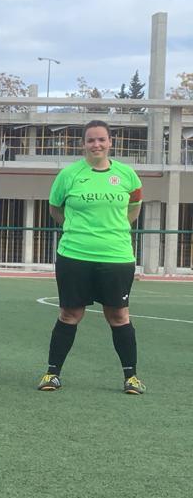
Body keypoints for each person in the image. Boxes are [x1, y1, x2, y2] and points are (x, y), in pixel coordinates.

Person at [38, 120, 145, 394]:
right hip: (74, 254)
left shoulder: (127, 175)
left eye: (101, 140)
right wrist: (77, 231)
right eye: (90, 140)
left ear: (110, 142)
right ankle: (52, 374)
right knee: (70, 313)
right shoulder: (69, 175)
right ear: (83, 144)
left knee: (118, 315)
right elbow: (55, 209)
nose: (96, 145)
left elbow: (134, 207)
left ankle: (131, 377)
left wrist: (114, 230)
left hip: (116, 256)